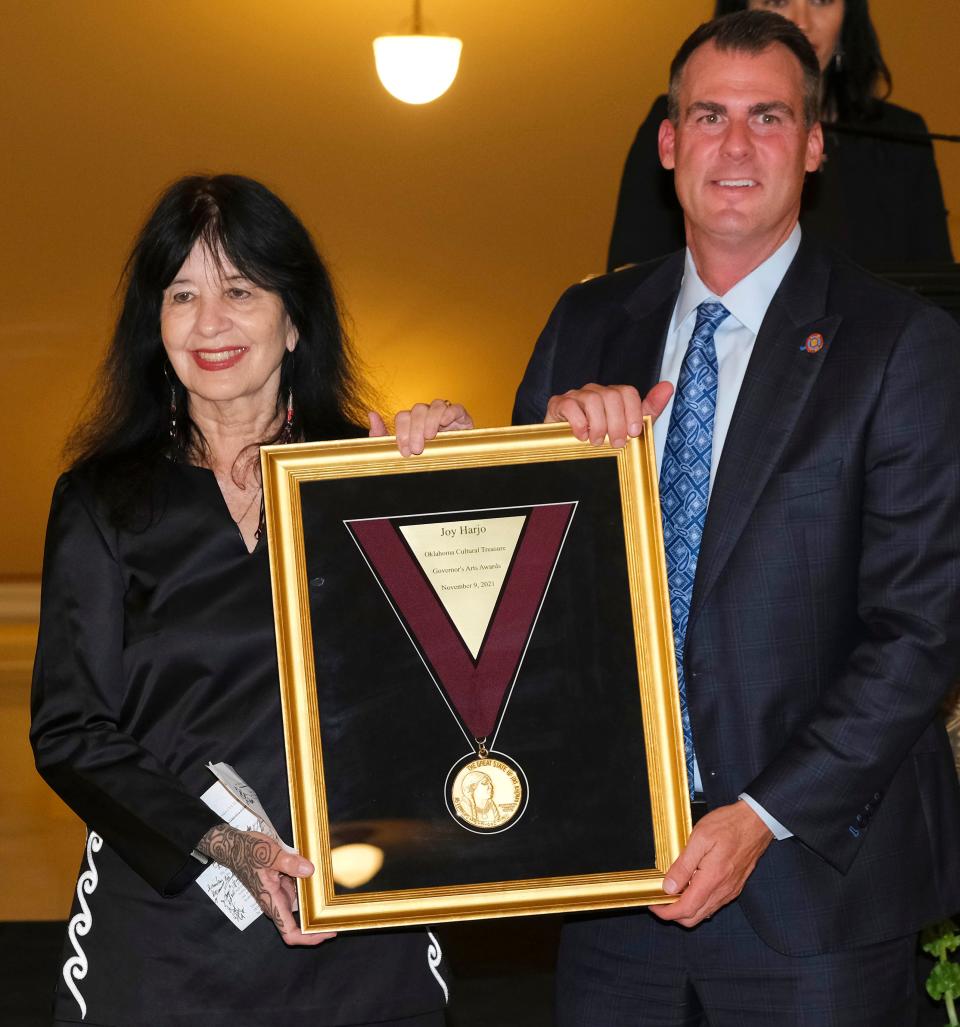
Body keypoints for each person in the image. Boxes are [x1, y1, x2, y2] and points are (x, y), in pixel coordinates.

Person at [514, 11, 960, 1024]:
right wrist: (508, 461)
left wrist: (759, 816)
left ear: (813, 145)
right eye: (708, 115)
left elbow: (921, 630)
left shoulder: (900, 346)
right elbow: (520, 601)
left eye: (768, 117)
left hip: (818, 892)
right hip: (613, 880)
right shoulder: (586, 325)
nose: (736, 144)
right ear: (668, 144)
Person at [30, 174, 472, 1026]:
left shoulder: (371, 477)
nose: (209, 322)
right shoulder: (103, 500)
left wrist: (460, 487)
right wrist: (232, 847)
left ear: (295, 316)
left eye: (239, 290)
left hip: (364, 921)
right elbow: (70, 729)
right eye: (182, 293)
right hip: (165, 935)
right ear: (154, 327)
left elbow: (467, 684)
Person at [607, 0, 954, 271]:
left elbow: (938, 293)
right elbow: (630, 279)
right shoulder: (680, 125)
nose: (800, 20)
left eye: (820, 1)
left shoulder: (900, 136)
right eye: (776, 2)